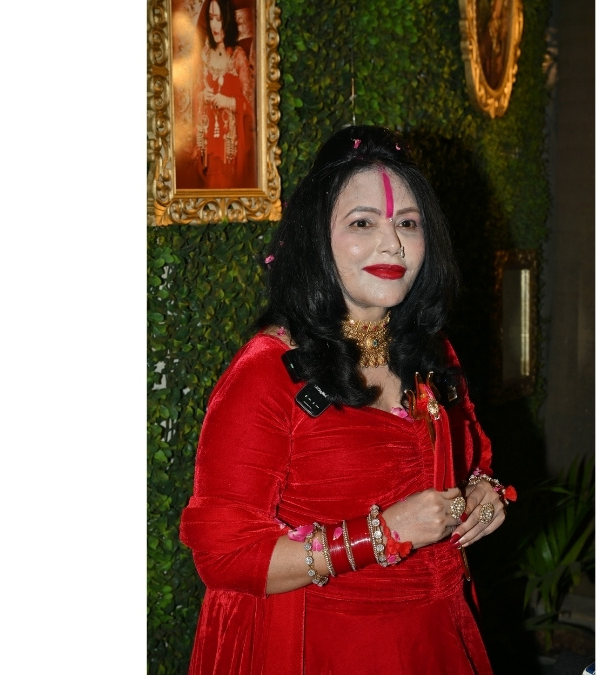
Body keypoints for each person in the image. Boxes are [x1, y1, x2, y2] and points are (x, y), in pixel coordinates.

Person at [179, 126, 515, 674]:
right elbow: (224, 556)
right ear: (317, 237)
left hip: (436, 639)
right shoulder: (264, 374)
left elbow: (473, 459)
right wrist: (383, 534)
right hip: (325, 646)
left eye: (408, 223)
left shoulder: (432, 354)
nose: (393, 244)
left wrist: (484, 494)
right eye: (363, 223)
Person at [192, 0, 255, 188]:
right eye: (211, 18)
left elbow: (252, 106)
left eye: (219, 19)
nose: (215, 26)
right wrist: (202, 96)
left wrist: (228, 101)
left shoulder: (238, 57)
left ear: (227, 21)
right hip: (209, 147)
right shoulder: (204, 55)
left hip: (232, 150)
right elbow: (194, 95)